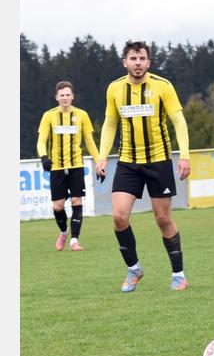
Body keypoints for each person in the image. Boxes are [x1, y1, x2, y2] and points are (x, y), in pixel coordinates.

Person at [95, 41, 191, 293]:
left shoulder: (162, 86)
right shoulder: (115, 89)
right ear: (124, 62)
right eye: (133, 58)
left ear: (148, 62)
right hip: (127, 162)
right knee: (118, 216)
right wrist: (102, 156)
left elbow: (178, 121)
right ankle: (134, 269)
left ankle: (178, 274)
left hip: (159, 161)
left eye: (142, 58)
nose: (137, 63)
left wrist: (184, 156)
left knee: (162, 218)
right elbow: (109, 123)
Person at [37, 81, 100, 252]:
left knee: (76, 201)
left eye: (68, 94)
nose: (65, 98)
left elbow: (89, 142)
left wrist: (99, 161)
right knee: (58, 206)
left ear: (72, 96)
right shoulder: (48, 116)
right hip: (57, 168)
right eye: (62, 95)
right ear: (57, 97)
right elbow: (41, 141)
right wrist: (44, 158)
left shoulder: (82, 115)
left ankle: (74, 241)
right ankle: (64, 232)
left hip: (76, 166)